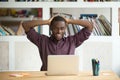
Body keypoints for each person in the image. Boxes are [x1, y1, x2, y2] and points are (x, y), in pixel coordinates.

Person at [22, 15, 93, 71]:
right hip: (46, 78)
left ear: (65, 28)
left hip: (66, 78)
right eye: (56, 28)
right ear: (51, 28)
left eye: (62, 28)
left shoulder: (72, 41)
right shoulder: (42, 41)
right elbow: (25, 25)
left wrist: (69, 20)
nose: (59, 31)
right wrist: (47, 22)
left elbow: (89, 26)